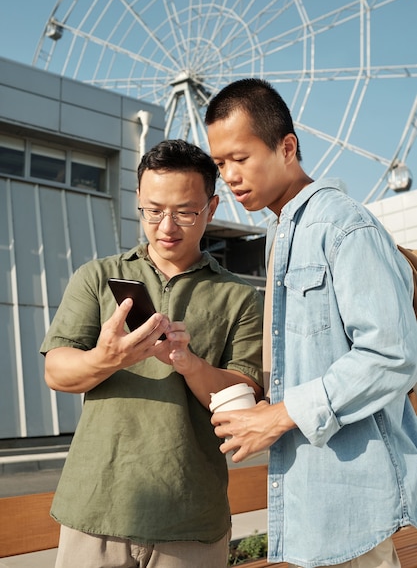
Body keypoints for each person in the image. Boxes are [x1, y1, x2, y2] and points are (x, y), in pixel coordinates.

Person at [205, 78, 417, 568]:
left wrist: (278, 416)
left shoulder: (344, 226)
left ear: (287, 147)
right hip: (311, 499)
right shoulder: (280, 232)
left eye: (241, 157)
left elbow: (393, 356)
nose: (230, 176)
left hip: (355, 503)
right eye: (220, 164)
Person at [41, 139, 263, 568]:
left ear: (212, 208)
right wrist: (108, 358)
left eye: (184, 212)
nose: (166, 226)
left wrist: (190, 364)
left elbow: (246, 397)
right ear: (138, 201)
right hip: (94, 508)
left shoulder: (238, 296)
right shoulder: (97, 276)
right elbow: (56, 372)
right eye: (153, 210)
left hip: (191, 518)